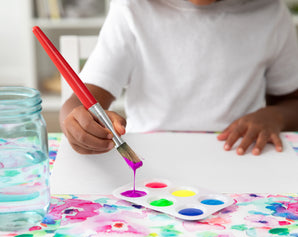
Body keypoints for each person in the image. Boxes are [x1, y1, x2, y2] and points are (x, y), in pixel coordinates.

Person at [60, 0, 298, 156]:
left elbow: (293, 103)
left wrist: (273, 116)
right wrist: (78, 123)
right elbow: (78, 105)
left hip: (238, 158)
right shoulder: (131, 8)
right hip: (150, 159)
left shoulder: (271, 14)